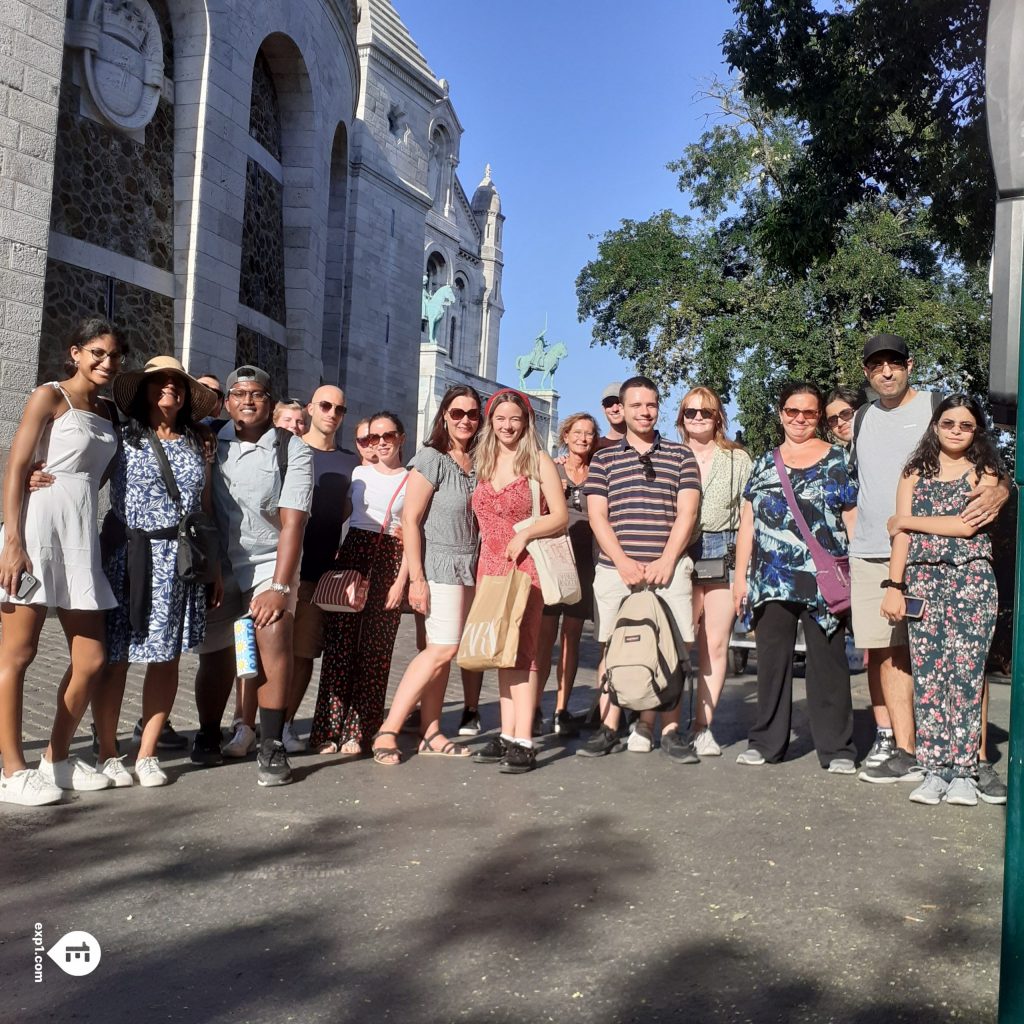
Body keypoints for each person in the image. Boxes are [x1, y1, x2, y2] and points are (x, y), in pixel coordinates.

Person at [851, 335, 1008, 784]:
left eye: (894, 363)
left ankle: (972, 760)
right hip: (877, 552)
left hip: (942, 556)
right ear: (866, 372)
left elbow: (989, 466)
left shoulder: (938, 406)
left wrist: (1002, 489)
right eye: (876, 365)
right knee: (893, 653)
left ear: (909, 365)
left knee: (962, 659)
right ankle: (909, 751)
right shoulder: (861, 417)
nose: (886, 371)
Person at [0, 318, 123, 805]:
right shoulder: (49, 396)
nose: (106, 363)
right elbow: (16, 464)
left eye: (114, 356)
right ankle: (12, 769)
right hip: (34, 535)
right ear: (75, 352)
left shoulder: (110, 411)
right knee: (18, 653)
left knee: (91, 659)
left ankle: (56, 758)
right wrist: (12, 539)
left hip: (79, 540)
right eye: (97, 352)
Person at [90, 357, 222, 787]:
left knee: (166, 658)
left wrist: (213, 566)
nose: (171, 389)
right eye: (161, 382)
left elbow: (203, 507)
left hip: (180, 562)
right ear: (145, 390)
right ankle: (108, 752)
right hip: (129, 556)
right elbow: (82, 472)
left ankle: (146, 753)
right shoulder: (121, 437)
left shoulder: (196, 441)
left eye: (178, 383)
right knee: (117, 658)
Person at [190, 365, 313, 787]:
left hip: (270, 561)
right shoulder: (210, 441)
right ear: (227, 402)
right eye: (239, 393)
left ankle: (272, 742)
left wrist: (280, 587)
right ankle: (208, 733)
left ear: (271, 403)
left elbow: (293, 524)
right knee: (218, 647)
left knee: (273, 631)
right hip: (221, 561)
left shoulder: (291, 448)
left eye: (257, 394)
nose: (247, 400)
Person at [881, 395, 1003, 805]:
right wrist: (893, 586)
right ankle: (935, 770)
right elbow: (900, 538)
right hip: (922, 582)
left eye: (965, 425)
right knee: (930, 678)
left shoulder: (985, 473)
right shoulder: (914, 471)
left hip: (970, 580)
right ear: (935, 426)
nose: (955, 431)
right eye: (948, 423)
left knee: (966, 678)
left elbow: (965, 527)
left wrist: (906, 519)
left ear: (976, 431)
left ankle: (965, 771)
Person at [731, 381, 858, 773]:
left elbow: (852, 519)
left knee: (829, 666)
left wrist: (863, 577)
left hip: (824, 582)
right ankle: (766, 742)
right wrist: (741, 579)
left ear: (819, 416)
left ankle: (837, 749)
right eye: (792, 411)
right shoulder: (765, 463)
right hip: (772, 579)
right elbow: (748, 524)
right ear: (781, 413)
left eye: (809, 412)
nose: (800, 419)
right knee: (771, 663)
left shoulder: (838, 459)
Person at [577, 376, 702, 761]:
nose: (644, 412)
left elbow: (688, 512)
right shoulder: (603, 458)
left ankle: (667, 729)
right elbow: (597, 516)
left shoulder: (681, 456)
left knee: (674, 648)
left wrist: (667, 559)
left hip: (668, 568)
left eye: (650, 405)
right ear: (623, 409)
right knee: (612, 649)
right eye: (636, 406)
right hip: (617, 570)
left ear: (657, 407)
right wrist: (622, 562)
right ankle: (609, 726)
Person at [370, 386, 482, 766]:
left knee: (443, 650)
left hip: (471, 566)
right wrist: (416, 578)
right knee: (441, 649)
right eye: (457, 413)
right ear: (444, 417)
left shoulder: (478, 461)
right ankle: (390, 728)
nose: (465, 420)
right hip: (439, 565)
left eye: (472, 414)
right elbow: (410, 521)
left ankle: (431, 731)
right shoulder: (431, 458)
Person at [468, 389, 568, 773]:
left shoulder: (538, 460)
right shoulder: (486, 459)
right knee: (501, 651)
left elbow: (559, 515)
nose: (507, 426)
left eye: (515, 419)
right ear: (491, 422)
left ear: (526, 422)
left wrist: (524, 534)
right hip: (490, 567)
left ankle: (525, 739)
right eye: (500, 418)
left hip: (526, 568)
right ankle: (508, 733)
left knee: (523, 652)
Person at [309, 412, 410, 754]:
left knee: (376, 650)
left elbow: (413, 531)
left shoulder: (413, 479)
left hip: (390, 558)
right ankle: (327, 729)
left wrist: (403, 581)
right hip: (353, 553)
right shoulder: (357, 473)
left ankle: (359, 730)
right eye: (372, 437)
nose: (380, 442)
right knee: (340, 645)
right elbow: (338, 513)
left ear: (401, 438)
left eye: (388, 435)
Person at [279, 386, 359, 753]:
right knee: (264, 649)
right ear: (310, 408)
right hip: (276, 568)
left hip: (318, 573)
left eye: (339, 409)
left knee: (303, 654)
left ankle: (283, 724)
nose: (332, 413)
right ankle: (245, 722)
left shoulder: (350, 462)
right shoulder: (289, 451)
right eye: (325, 405)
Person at [677, 387, 752, 757]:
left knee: (715, 643)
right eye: (690, 413)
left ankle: (703, 726)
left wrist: (743, 571)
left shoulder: (738, 459)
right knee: (678, 640)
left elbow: (747, 516)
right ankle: (665, 722)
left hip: (722, 548)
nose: (697, 419)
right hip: (678, 550)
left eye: (705, 413)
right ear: (681, 418)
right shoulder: (671, 455)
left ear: (718, 416)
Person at [534, 413, 599, 737]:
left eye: (589, 434)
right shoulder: (552, 468)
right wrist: (550, 495)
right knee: (544, 637)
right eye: (577, 433)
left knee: (571, 637)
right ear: (566, 435)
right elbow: (534, 509)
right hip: (555, 558)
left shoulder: (599, 472)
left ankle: (562, 708)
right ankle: (533, 707)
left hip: (585, 561)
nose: (583, 438)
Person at [595, 381, 626, 451]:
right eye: (609, 403)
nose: (615, 409)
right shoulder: (594, 447)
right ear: (603, 409)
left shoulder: (643, 442)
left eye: (619, 403)